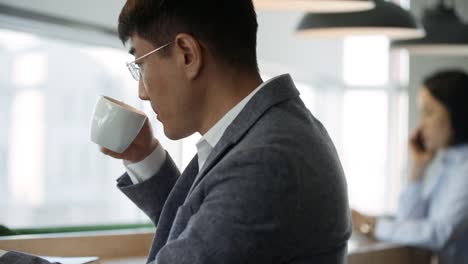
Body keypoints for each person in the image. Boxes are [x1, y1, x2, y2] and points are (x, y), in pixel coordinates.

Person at [0, 0, 351, 263]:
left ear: (186, 54)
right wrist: (145, 157)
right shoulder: (276, 132)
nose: (141, 91)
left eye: (140, 64)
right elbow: (205, 223)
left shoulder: (266, 161)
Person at [352, 69, 468, 264]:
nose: (421, 124)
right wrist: (418, 170)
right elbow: (410, 222)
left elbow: (440, 233)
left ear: (456, 113)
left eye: (429, 112)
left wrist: (373, 225)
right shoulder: (449, 165)